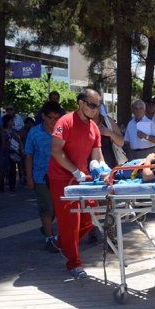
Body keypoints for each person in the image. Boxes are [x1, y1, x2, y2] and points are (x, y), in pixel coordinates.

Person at [48, 88, 107, 279]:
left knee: (91, 217)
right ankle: (74, 263)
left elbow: (97, 154)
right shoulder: (64, 122)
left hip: (82, 178)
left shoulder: (94, 127)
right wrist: (74, 170)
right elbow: (56, 151)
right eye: (91, 105)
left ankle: (61, 241)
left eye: (98, 106)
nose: (95, 110)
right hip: (62, 178)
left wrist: (104, 169)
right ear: (80, 103)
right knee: (70, 223)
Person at [25, 102, 65, 253]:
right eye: (50, 117)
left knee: (58, 208)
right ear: (43, 116)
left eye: (56, 118)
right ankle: (49, 238)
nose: (53, 121)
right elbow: (28, 155)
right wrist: (29, 178)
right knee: (46, 208)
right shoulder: (34, 132)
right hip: (41, 177)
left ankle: (47, 228)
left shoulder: (62, 131)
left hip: (60, 176)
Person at [0, 115, 22, 192]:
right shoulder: (2, 130)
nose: (12, 122)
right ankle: (1, 186)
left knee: (13, 169)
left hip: (13, 151)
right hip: (5, 151)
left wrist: (20, 149)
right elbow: (3, 141)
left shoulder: (14, 130)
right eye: (11, 121)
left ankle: (12, 186)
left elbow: (18, 140)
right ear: (7, 121)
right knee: (3, 169)